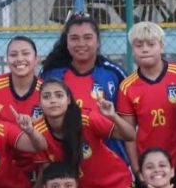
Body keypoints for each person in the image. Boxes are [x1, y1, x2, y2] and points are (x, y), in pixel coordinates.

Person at [34, 79, 136, 188]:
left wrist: (113, 116)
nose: (53, 100)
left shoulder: (87, 118)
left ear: (69, 99)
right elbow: (46, 174)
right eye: (46, 96)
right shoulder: (37, 132)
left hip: (116, 186)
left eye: (59, 95)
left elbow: (130, 135)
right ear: (40, 103)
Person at [40, 13, 130, 163]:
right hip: (64, 162)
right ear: (67, 42)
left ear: (97, 41)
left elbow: (129, 124)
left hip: (109, 162)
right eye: (74, 38)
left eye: (87, 38)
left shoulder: (114, 73)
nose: (81, 43)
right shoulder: (51, 74)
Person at [116, 22, 176, 188]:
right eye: (139, 45)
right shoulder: (127, 87)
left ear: (161, 46)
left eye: (151, 44)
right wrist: (136, 168)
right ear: (132, 49)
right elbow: (129, 134)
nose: (145, 49)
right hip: (149, 165)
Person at [0, 36, 42, 124]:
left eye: (26, 53)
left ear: (36, 59)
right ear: (7, 60)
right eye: (13, 55)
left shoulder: (45, 90)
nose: (19, 59)